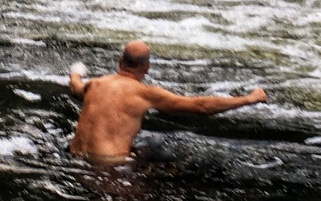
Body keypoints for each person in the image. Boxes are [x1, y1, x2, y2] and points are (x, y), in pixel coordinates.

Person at [69, 40, 267, 164]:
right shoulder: (145, 94)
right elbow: (201, 106)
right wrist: (249, 99)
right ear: (147, 67)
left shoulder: (96, 84)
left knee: (149, 149)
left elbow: (76, 87)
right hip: (109, 165)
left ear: (120, 62)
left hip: (75, 157)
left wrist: (76, 72)